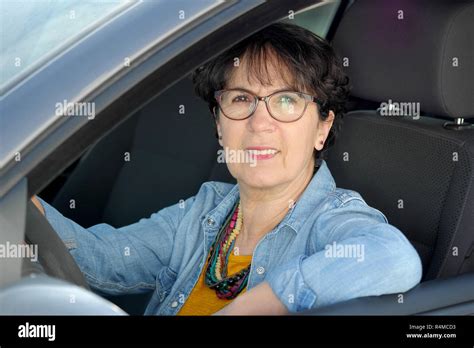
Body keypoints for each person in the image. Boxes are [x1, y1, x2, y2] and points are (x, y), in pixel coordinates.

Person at [31, 22, 422, 315]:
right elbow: (105, 260)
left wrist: (253, 307)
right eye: (241, 98)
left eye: (286, 101)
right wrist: (20, 205)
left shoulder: (331, 219)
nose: (259, 122)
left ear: (322, 127)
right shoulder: (206, 208)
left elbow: (394, 259)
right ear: (220, 126)